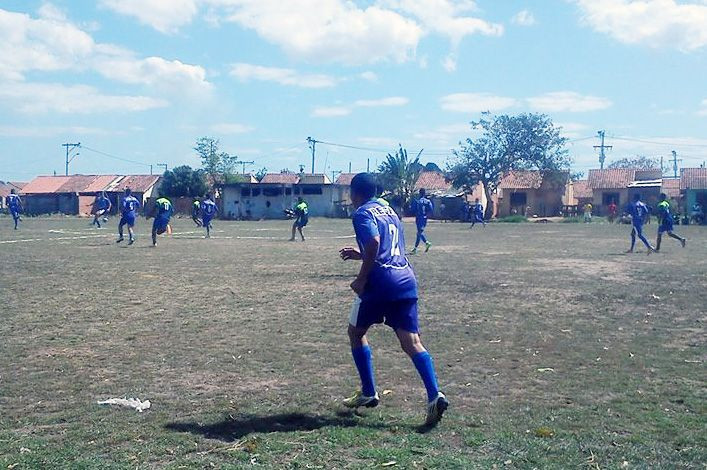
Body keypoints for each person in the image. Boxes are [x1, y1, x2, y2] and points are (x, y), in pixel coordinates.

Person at [339, 173, 448, 427]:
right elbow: (389, 245)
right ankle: (435, 395)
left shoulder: (362, 213)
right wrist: (361, 254)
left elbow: (375, 242)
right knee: (412, 342)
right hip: (406, 278)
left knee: (355, 332)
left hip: (381, 282)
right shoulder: (389, 211)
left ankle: (368, 392)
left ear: (355, 193)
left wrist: (361, 279)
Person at [411, 189, 433, 254]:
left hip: (419, 218)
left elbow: (413, 209)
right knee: (419, 233)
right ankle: (415, 248)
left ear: (419, 193)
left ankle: (427, 242)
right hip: (424, 218)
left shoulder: (418, 201)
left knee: (419, 233)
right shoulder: (428, 201)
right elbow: (431, 210)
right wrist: (426, 216)